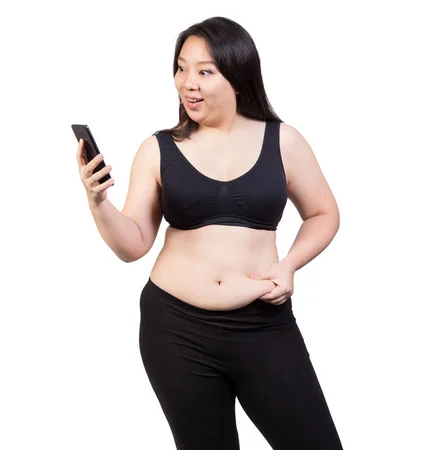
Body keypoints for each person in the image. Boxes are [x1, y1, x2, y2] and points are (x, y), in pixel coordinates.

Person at [75, 16, 343, 450]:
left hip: (263, 325)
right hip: (175, 329)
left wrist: (289, 266)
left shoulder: (284, 141)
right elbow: (133, 245)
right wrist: (98, 202)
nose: (188, 83)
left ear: (237, 75)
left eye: (204, 71)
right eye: (181, 68)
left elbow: (323, 213)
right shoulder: (158, 148)